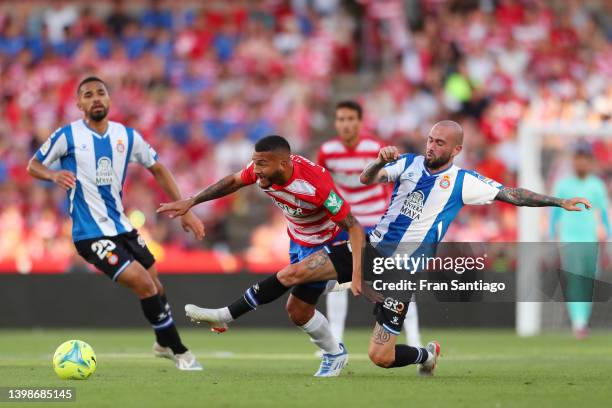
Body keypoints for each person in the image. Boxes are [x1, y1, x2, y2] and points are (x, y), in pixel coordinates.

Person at [177, 120, 591, 375]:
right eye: (430, 140)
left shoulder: (467, 182)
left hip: (403, 271)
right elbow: (365, 179)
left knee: (380, 356)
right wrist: (379, 161)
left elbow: (512, 194)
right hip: (371, 248)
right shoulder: (408, 163)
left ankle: (426, 355)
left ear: (457, 150)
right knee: (294, 273)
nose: (432, 147)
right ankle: (227, 313)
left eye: (440, 144)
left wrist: (558, 201)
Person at [27, 76, 205, 370]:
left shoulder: (126, 137)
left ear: (109, 99)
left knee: (157, 287)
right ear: (78, 103)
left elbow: (158, 168)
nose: (95, 98)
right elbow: (33, 164)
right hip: (90, 234)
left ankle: (162, 343)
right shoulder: (67, 136)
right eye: (88, 95)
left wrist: (185, 209)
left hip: (122, 227)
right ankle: (181, 351)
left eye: (101, 93)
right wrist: (52, 175)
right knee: (145, 285)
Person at [157, 135, 364, 377]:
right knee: (298, 311)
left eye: (262, 164)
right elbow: (233, 181)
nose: (256, 171)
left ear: (283, 165)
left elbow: (355, 228)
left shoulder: (315, 184)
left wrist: (357, 274)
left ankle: (225, 316)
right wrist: (192, 201)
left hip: (334, 243)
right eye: (255, 163)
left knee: (291, 274)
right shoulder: (263, 170)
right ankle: (335, 353)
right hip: (300, 244)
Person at [317, 100, 421, 347]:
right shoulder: (327, 151)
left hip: (376, 223)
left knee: (397, 280)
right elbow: (323, 186)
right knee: (337, 282)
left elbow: (392, 184)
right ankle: (335, 342)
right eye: (341, 119)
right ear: (336, 122)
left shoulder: (375, 149)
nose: (345, 124)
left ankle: (415, 339)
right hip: (345, 224)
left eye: (350, 119)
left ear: (360, 122)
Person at [550, 143, 610, 339]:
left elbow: (604, 215)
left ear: (591, 162)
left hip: (590, 239)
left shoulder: (597, 185)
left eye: (585, 158)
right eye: (578, 157)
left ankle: (582, 319)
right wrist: (551, 236)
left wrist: (609, 236)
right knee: (574, 280)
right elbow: (554, 214)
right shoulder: (563, 184)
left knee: (588, 281)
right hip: (569, 239)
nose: (581, 162)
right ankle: (579, 322)